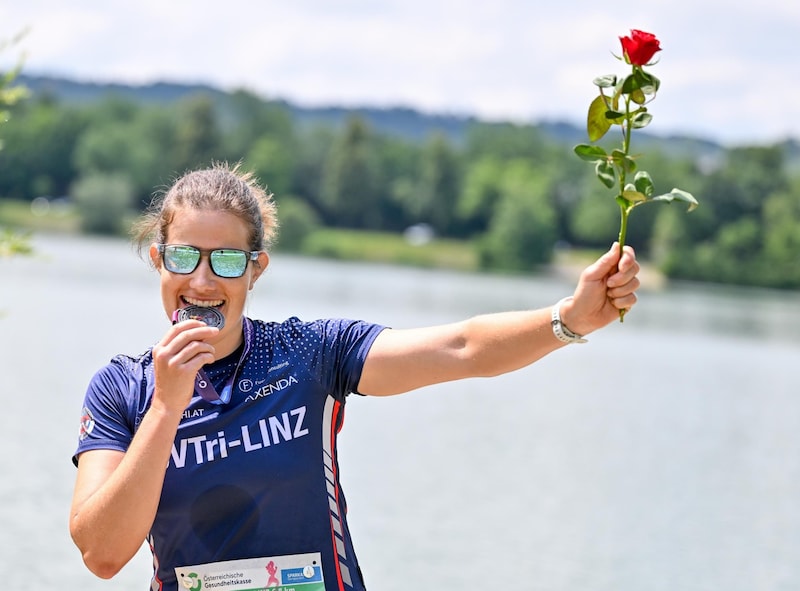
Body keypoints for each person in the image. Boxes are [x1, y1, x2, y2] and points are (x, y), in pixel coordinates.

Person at [69, 162, 641, 591]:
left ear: (255, 269)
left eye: (225, 260)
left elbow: (462, 347)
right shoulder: (123, 389)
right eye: (184, 256)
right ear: (157, 259)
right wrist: (167, 408)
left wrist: (566, 320)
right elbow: (102, 554)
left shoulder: (311, 353)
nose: (201, 281)